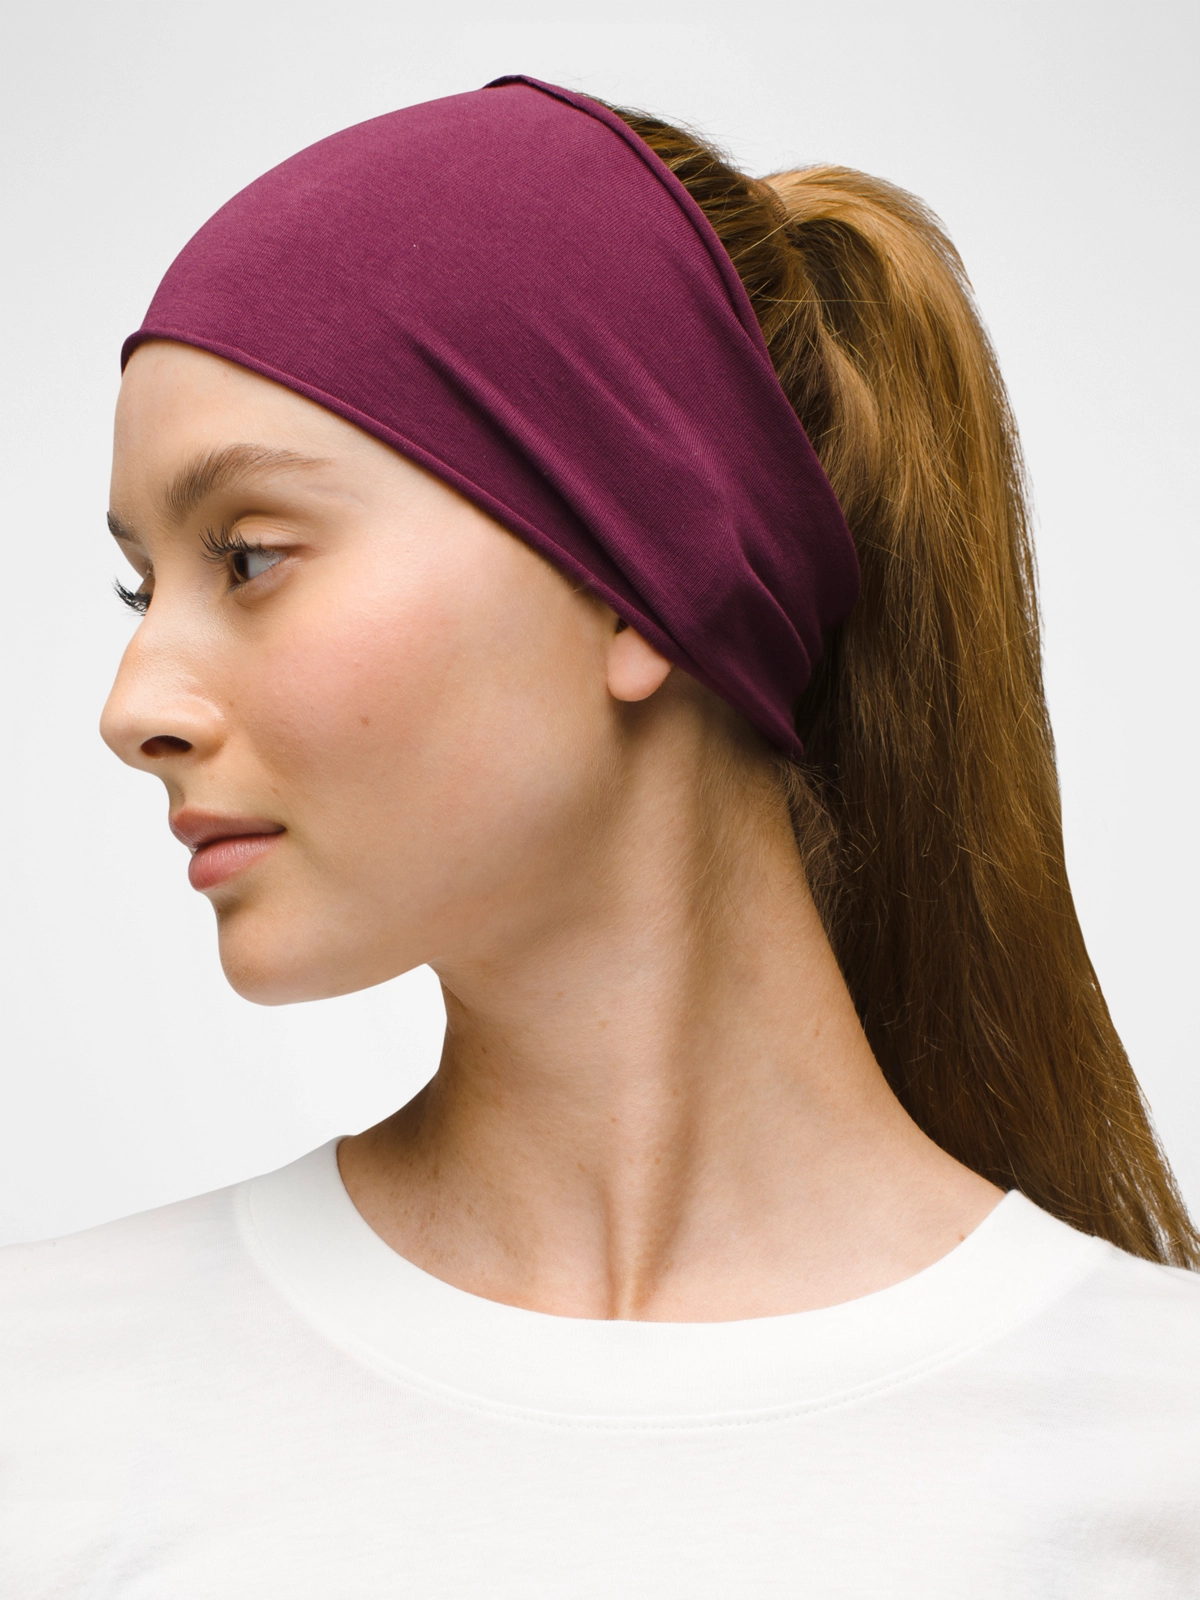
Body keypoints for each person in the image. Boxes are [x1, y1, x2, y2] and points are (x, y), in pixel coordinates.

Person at [1, 75, 1197, 1597]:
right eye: (140, 585)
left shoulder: (1162, 1460)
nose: (133, 707)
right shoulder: (42, 1414)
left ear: (645, 574)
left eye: (247, 556)